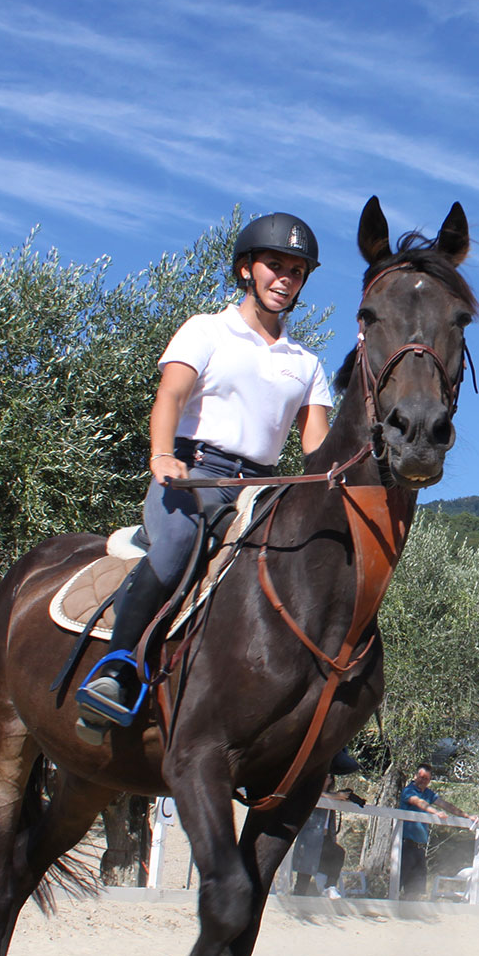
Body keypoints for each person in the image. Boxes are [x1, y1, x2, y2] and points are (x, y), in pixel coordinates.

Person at [76, 212, 335, 741]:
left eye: (296, 270)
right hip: (194, 474)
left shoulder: (306, 362)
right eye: (274, 265)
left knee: (310, 566)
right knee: (176, 547)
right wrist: (161, 456)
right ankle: (117, 669)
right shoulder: (207, 329)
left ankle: (313, 707)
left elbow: (315, 446)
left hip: (260, 489)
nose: (285, 278)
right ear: (246, 270)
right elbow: (169, 395)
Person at [398, 764, 471, 899]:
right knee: (398, 883)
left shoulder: (428, 793)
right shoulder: (408, 791)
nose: (423, 781)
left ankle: (409, 914)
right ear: (415, 776)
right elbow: (418, 802)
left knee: (415, 888)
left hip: (420, 848)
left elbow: (446, 805)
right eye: (421, 777)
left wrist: (467, 816)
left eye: (426, 779)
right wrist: (436, 813)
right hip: (406, 845)